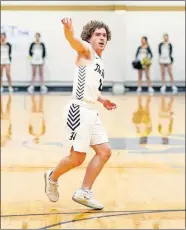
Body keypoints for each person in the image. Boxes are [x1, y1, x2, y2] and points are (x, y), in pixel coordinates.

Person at [44, 17, 117, 210]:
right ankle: (52, 177)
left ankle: (84, 191)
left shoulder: (99, 61)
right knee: (77, 158)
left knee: (104, 151)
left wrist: (102, 100)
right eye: (97, 34)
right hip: (78, 110)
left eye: (104, 35)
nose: (102, 38)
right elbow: (73, 40)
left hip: (91, 110)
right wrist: (68, 30)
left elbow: (90, 86)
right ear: (89, 38)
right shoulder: (86, 50)